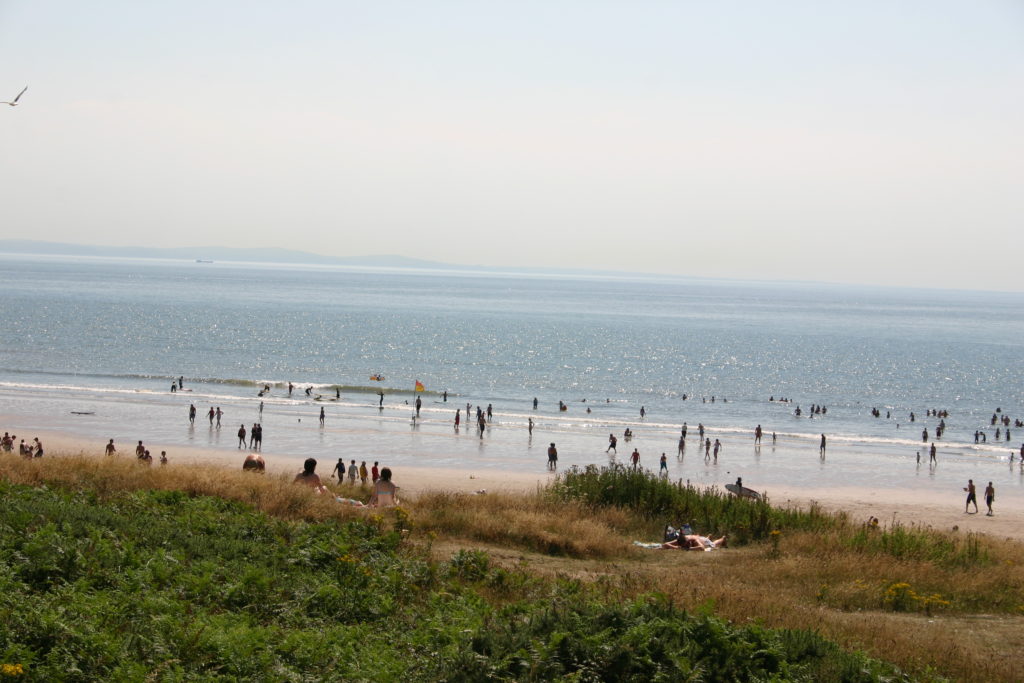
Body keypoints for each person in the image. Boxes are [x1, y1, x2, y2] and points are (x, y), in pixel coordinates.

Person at [662, 534, 727, 551]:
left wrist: (687, 549)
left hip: (703, 541)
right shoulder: (680, 540)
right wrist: (675, 547)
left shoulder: (693, 540)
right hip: (701, 538)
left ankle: (722, 538)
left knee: (714, 544)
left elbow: (702, 548)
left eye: (688, 543)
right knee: (705, 539)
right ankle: (708, 537)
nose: (688, 544)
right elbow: (665, 544)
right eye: (686, 545)